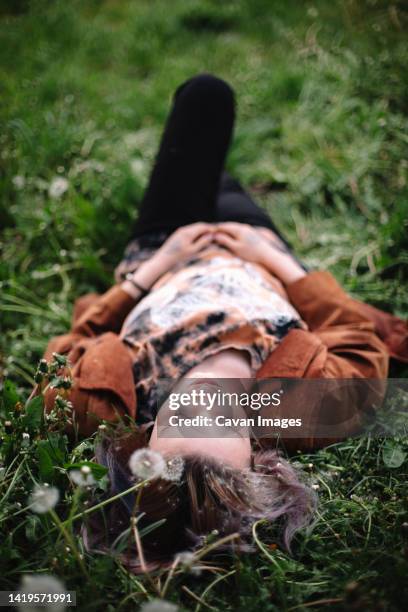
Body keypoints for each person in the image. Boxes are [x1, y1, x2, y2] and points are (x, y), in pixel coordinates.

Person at [36, 74, 408, 570]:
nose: (203, 393)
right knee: (225, 184)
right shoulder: (310, 408)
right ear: (255, 449)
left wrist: (147, 273)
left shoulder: (93, 406)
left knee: (204, 96)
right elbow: (359, 338)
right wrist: (281, 265)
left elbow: (72, 340)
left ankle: (211, 178)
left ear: (147, 438)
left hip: (166, 245)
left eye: (183, 414)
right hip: (253, 250)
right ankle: (230, 182)